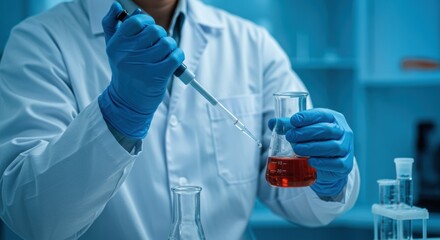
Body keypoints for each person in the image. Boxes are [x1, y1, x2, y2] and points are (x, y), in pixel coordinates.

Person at [0, 0, 360, 239]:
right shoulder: (41, 42)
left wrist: (326, 178)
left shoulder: (252, 44)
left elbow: (296, 194)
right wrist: (119, 113)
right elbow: (34, 217)